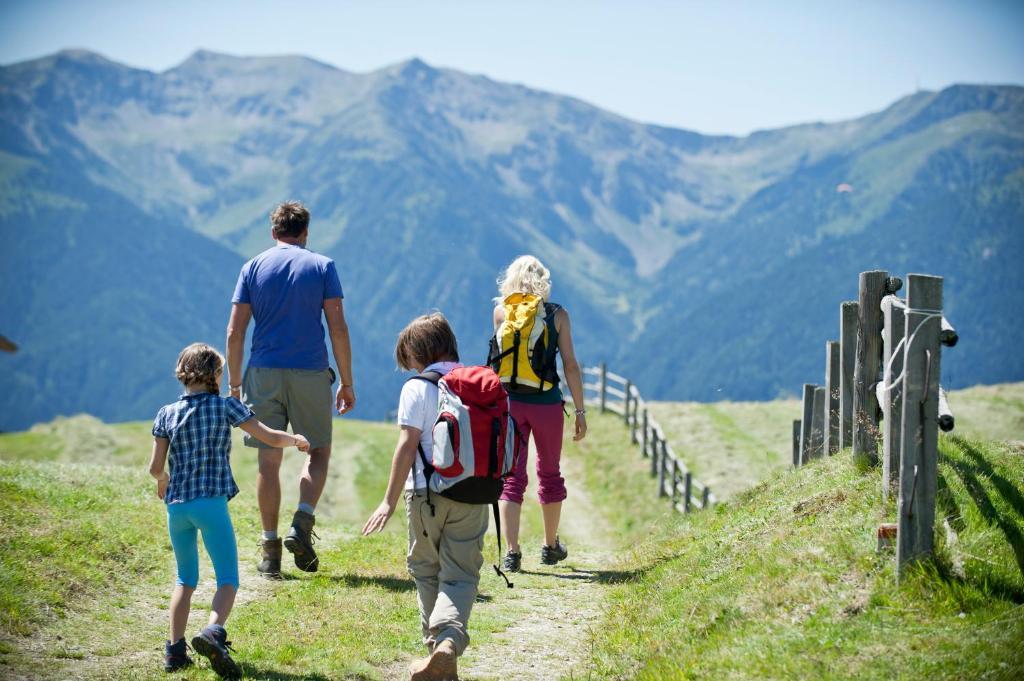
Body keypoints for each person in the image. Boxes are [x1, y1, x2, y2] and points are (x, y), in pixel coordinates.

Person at [149, 343, 309, 678]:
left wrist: (163, 479)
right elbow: (267, 436)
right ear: (216, 375)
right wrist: (295, 439)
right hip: (211, 504)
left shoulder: (165, 413)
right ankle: (212, 632)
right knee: (227, 579)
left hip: (176, 507)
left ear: (182, 373)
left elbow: (154, 467)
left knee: (185, 578)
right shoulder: (226, 407)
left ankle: (174, 651)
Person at [226, 201, 355, 578]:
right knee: (316, 450)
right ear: (305, 232)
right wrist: (346, 381)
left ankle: (270, 551)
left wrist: (235, 384)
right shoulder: (323, 266)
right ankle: (302, 520)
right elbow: (338, 328)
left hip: (262, 371)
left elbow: (235, 332)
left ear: (273, 232)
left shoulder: (252, 267)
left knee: (269, 458)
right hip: (311, 371)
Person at [362, 313, 485, 681]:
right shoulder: (477, 382)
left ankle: (441, 646)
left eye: (411, 360)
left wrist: (387, 500)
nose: (411, 367)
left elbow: (406, 445)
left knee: (426, 571)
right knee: (461, 576)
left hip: (426, 493)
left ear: (419, 352)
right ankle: (446, 657)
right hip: (475, 492)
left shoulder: (417, 387)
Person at [491, 255, 586, 572]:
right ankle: (549, 546)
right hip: (546, 404)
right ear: (543, 280)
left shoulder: (501, 312)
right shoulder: (558, 315)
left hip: (511, 405)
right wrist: (581, 410)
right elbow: (570, 365)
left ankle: (512, 552)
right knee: (550, 472)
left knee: (511, 477)